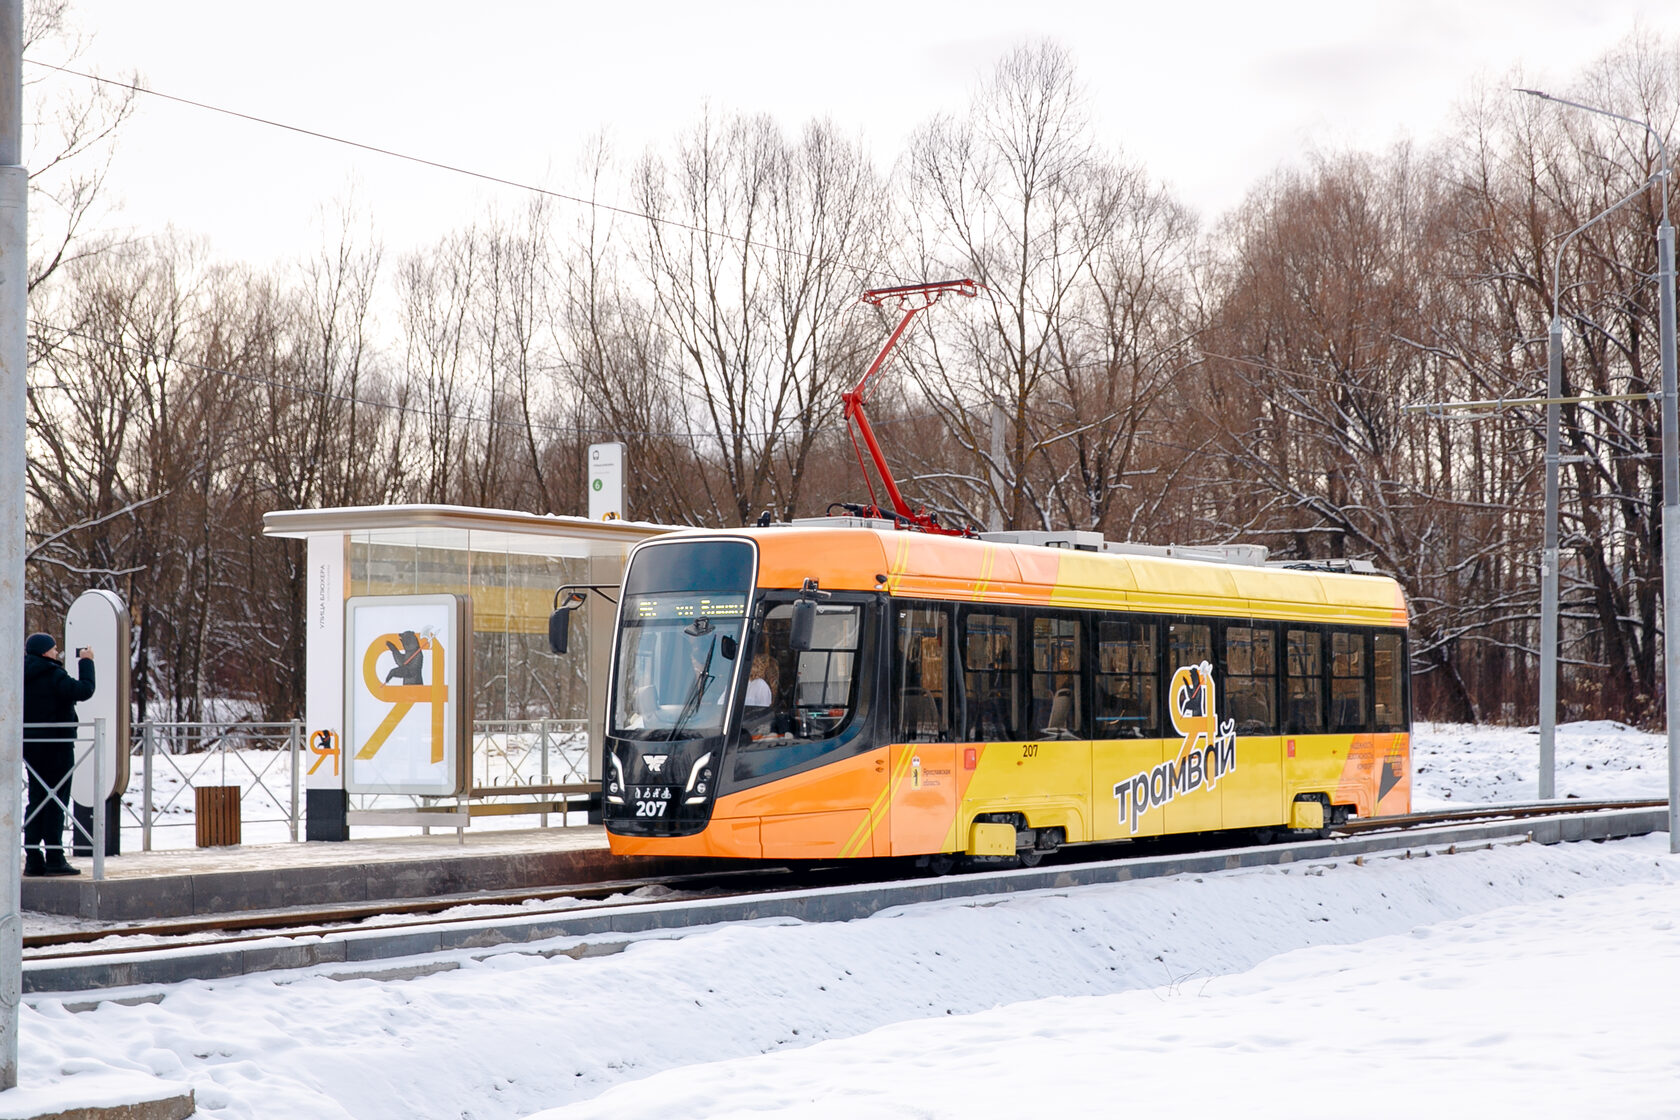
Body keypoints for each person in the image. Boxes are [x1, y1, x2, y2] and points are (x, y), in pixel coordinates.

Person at [22, 632, 95, 877]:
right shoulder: (54, 674)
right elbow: (84, 690)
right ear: (45, 652)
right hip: (58, 746)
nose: (56, 652)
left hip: (31, 747)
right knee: (56, 800)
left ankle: (33, 858)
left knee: (36, 799)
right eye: (53, 649)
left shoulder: (21, 675)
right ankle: (55, 857)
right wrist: (87, 662)